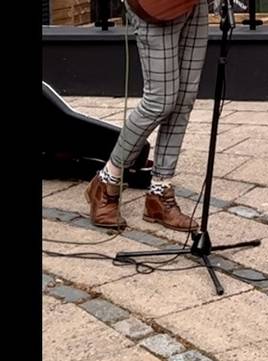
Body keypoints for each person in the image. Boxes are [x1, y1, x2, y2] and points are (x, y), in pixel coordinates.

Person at [85, 0, 215, 231]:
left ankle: (159, 193)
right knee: (159, 101)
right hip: (156, 6)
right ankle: (107, 181)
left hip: (196, 5)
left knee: (183, 100)